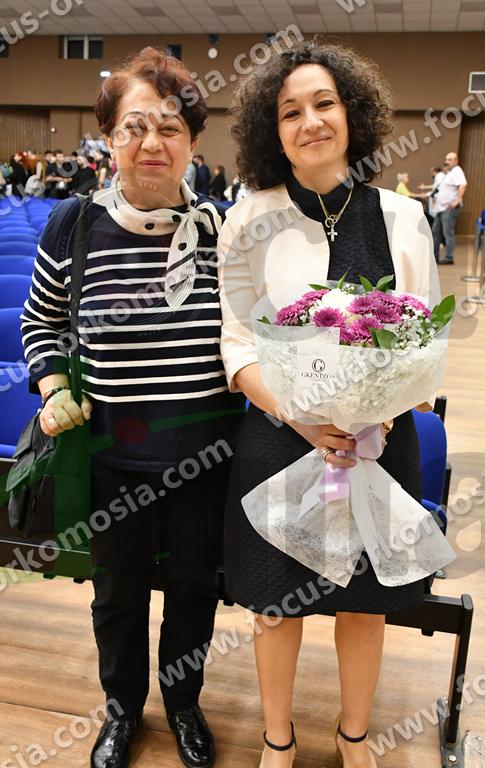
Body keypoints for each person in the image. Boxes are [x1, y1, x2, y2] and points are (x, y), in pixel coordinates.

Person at [21, 46, 244, 768]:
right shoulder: (74, 226)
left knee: (192, 591)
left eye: (171, 127)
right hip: (111, 455)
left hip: (205, 456)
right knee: (116, 595)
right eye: (135, 127)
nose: (153, 142)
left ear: (193, 142)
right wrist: (54, 387)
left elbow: (250, 336)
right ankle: (122, 710)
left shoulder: (223, 232)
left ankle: (183, 704)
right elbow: (40, 323)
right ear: (109, 139)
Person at [218, 40, 440, 768]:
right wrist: (303, 418)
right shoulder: (249, 218)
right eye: (290, 112)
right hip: (282, 436)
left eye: (324, 104)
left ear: (352, 114)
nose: (310, 121)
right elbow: (237, 341)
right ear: (272, 131)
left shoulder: (403, 217)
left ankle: (354, 738)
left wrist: (382, 408)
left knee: (365, 604)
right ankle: (276, 741)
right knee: (275, 605)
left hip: (379, 440)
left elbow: (423, 333)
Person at [431, 152, 467, 265]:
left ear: (456, 161)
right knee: (436, 232)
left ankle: (449, 258)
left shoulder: (457, 170)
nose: (447, 161)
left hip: (449, 208)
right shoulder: (449, 173)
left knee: (447, 233)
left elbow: (462, 185)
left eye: (450, 160)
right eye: (446, 159)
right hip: (441, 208)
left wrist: (456, 200)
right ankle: (434, 256)